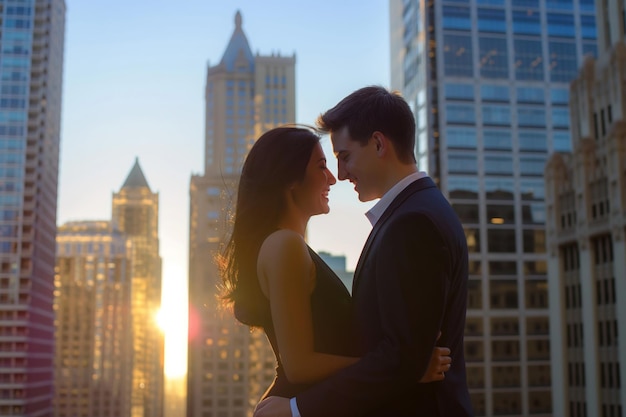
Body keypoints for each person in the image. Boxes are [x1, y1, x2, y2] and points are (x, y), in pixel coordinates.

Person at [254, 87, 474, 417]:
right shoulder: (414, 212)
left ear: (378, 144)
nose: (340, 175)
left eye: (344, 157)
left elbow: (401, 358)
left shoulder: (413, 222)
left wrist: (297, 410)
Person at [219, 126, 452, 404]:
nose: (332, 178)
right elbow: (299, 366)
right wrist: (403, 368)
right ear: (290, 179)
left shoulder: (287, 245)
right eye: (321, 167)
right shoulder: (284, 246)